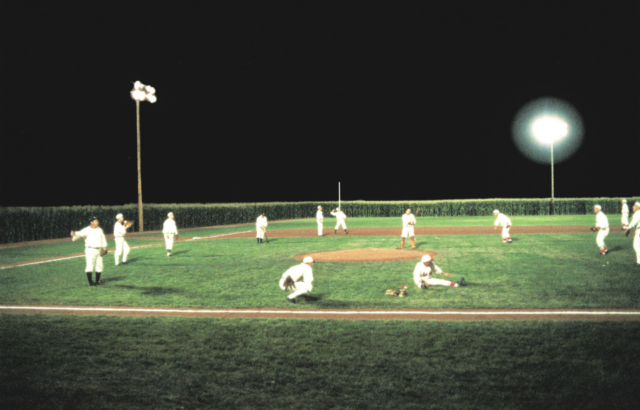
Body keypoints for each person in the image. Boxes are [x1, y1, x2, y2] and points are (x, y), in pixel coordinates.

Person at [71, 216, 108, 286]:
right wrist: (74, 233)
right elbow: (79, 233)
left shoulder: (99, 229)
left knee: (99, 265)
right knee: (90, 265)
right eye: (95, 221)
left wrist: (105, 247)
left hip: (98, 250)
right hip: (90, 250)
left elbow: (103, 238)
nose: (97, 222)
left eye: (97, 221)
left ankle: (97, 281)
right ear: (91, 222)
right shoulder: (87, 230)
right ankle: (91, 282)